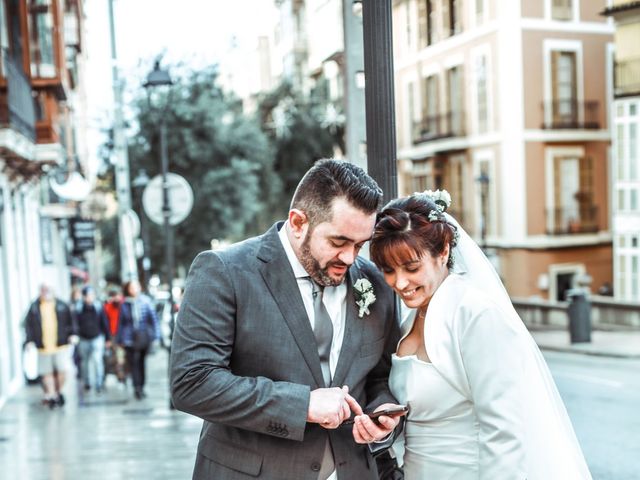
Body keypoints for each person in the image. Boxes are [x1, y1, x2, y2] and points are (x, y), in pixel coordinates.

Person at [170, 159, 404, 480]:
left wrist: (382, 412)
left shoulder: (374, 283)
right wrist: (302, 404)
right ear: (297, 222)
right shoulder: (225, 271)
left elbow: (379, 377)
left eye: (359, 245)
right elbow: (192, 382)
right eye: (338, 242)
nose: (350, 258)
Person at [369, 190, 592, 480]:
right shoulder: (410, 317)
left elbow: (505, 433)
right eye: (388, 270)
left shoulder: (476, 314)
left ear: (443, 252)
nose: (399, 282)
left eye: (412, 267)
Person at [24, 283, 77, 409]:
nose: (45, 292)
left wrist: (73, 334)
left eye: (47, 290)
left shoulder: (62, 305)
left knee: (61, 371)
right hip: (43, 346)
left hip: (61, 344)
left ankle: (58, 392)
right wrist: (29, 340)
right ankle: (52, 395)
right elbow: (28, 326)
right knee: (46, 372)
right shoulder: (34, 307)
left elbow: (72, 321)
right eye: (43, 290)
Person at [116, 279, 159, 400]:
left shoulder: (146, 302)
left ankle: (142, 385)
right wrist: (120, 340)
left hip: (143, 337)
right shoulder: (124, 304)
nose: (134, 289)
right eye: (131, 287)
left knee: (141, 363)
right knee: (133, 363)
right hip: (129, 339)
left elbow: (153, 320)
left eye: (136, 287)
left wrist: (156, 336)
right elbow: (121, 323)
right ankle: (137, 387)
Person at [76, 286, 110, 393]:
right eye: (88, 295)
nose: (90, 298)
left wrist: (107, 338)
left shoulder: (98, 307)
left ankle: (99, 383)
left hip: (97, 338)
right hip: (83, 338)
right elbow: (75, 324)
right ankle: (87, 382)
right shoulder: (79, 308)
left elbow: (105, 323)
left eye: (92, 295)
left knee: (97, 361)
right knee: (84, 363)